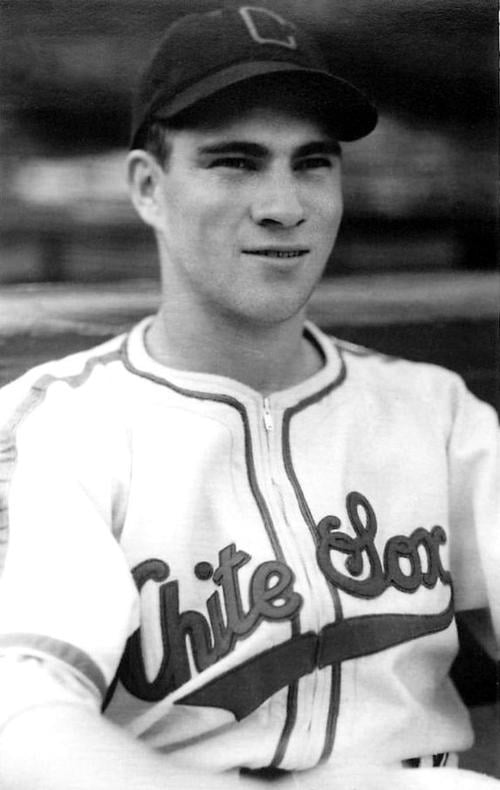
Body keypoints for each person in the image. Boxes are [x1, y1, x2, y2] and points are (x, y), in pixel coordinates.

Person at [0, 5, 498, 789]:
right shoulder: (67, 423)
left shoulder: (436, 414)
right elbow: (23, 715)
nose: (284, 204)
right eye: (235, 162)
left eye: (312, 162)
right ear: (147, 188)